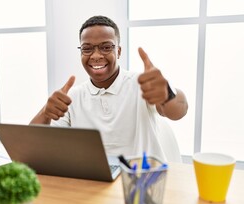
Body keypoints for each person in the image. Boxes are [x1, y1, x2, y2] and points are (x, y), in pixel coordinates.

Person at [30, 15, 188, 161]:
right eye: (87, 48)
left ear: (118, 51)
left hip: (141, 179)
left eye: (106, 47)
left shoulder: (143, 84)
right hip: (94, 182)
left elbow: (179, 111)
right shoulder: (73, 96)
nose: (96, 55)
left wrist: (167, 93)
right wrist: (45, 112)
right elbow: (33, 144)